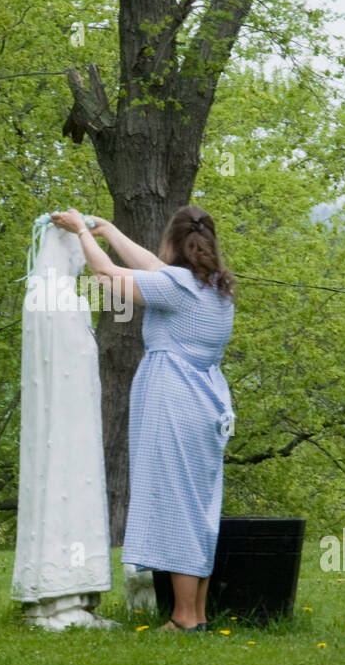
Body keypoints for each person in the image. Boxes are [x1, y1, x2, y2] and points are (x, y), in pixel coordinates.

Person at [49, 206, 235, 633]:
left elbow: (108, 278)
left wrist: (82, 232)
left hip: (175, 402)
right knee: (197, 508)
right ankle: (197, 615)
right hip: (206, 405)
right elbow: (152, 268)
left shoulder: (177, 288)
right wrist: (110, 231)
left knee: (176, 507)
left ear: (172, 243)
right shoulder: (212, 289)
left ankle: (184, 617)